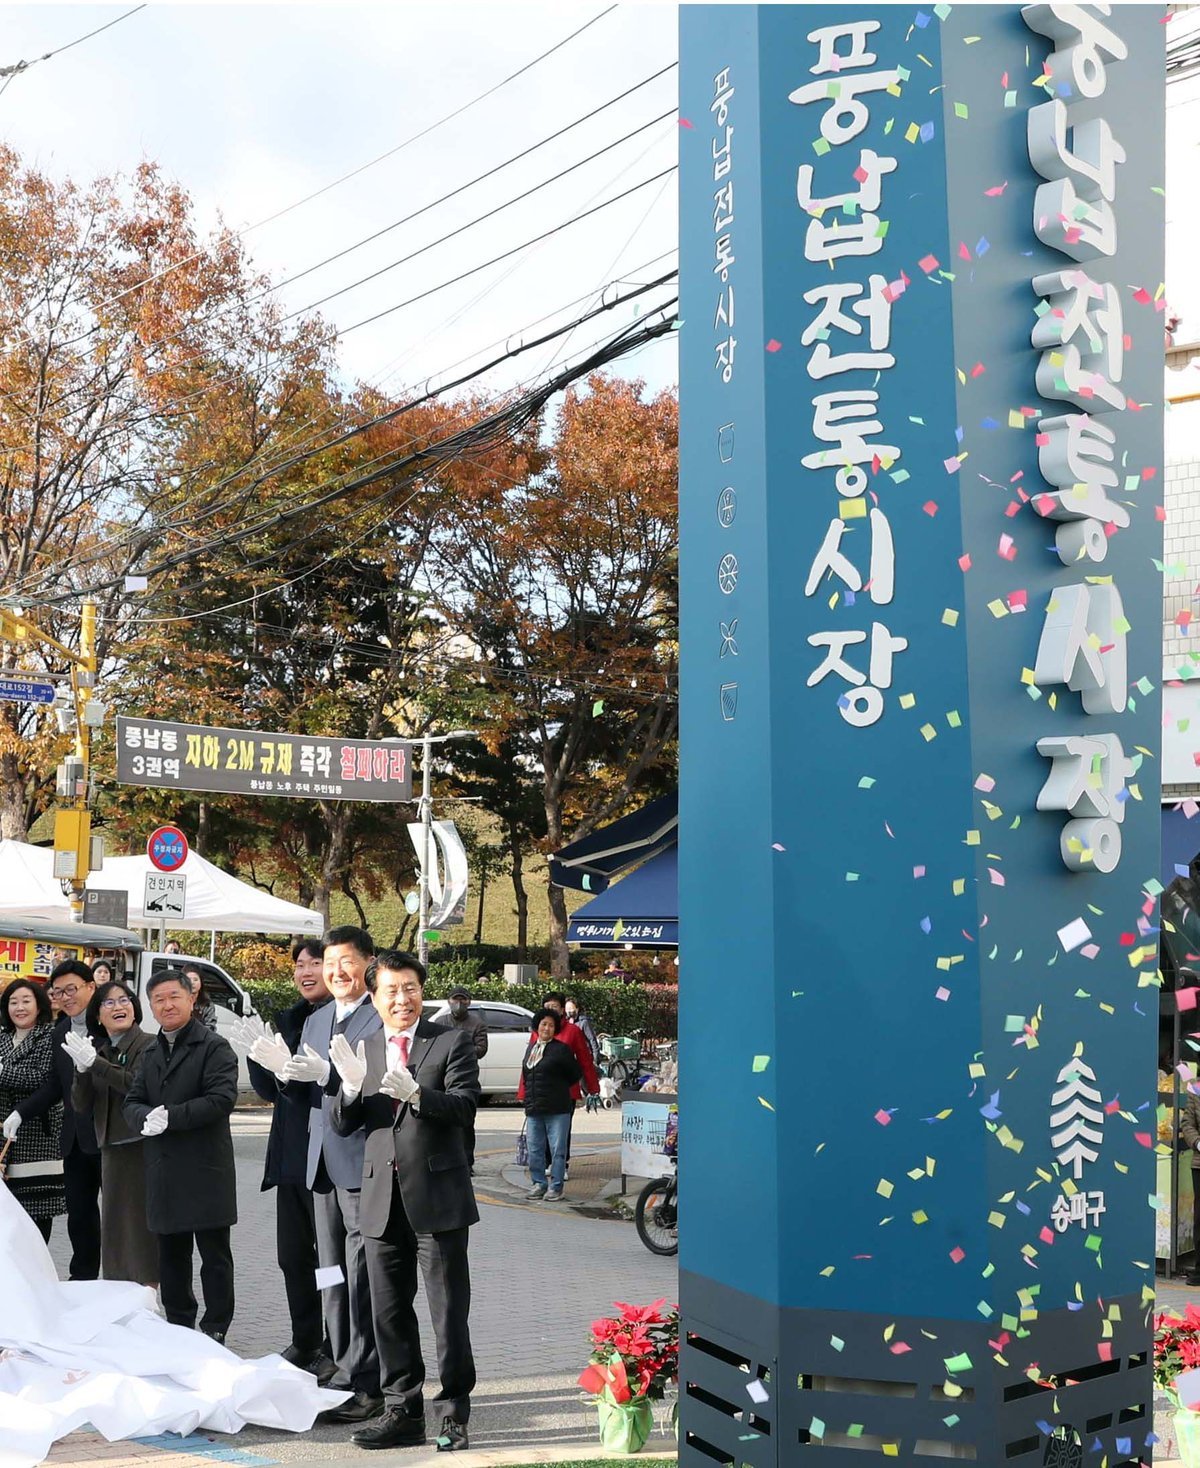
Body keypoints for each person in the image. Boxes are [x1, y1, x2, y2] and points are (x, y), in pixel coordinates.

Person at [329, 949, 480, 1451]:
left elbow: (465, 1107)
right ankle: (402, 1411)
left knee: (448, 1313)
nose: (402, 999)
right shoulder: (366, 1046)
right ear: (373, 997)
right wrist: (350, 1090)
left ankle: (453, 1414)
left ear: (422, 991)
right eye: (391, 990)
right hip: (380, 1198)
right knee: (388, 1313)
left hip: (437, 1199)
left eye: (410, 988)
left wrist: (418, 1094)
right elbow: (344, 1124)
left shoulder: (450, 1041)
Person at [253, 925, 383, 1424]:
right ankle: (342, 1367)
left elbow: (371, 1089)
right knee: (330, 1274)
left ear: (368, 963)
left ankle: (368, 1380)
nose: (335, 972)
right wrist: (280, 1071)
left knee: (360, 1274)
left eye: (345, 961)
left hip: (360, 1164)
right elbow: (303, 1096)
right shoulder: (317, 1018)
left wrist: (330, 1076)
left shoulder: (379, 1015)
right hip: (318, 1167)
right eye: (330, 963)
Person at [233, 938, 334, 1379]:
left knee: (330, 1262)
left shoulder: (343, 1018)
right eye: (299, 965)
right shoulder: (289, 1018)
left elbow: (323, 1089)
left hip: (326, 1161)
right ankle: (305, 1339)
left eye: (315, 963)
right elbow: (269, 1091)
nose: (305, 971)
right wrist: (261, 1058)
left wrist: (289, 1069)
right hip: (290, 1156)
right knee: (293, 1257)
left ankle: (336, 1342)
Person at [122, 969, 239, 1343]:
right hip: (164, 1168)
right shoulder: (151, 1052)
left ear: (191, 999)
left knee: (214, 1257)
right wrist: (144, 1117)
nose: (167, 1005)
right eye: (158, 999)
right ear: (150, 1006)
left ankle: (216, 1328)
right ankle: (178, 1326)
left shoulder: (214, 1047)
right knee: (171, 1256)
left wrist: (170, 1117)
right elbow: (133, 1100)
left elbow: (221, 1099)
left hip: (205, 1168)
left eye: (174, 996)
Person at [5, 959, 101, 1277]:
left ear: (91, 987)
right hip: (74, 1138)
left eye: (71, 989)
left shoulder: (107, 1024)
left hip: (110, 1133)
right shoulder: (61, 1031)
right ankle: (82, 1279)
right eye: (59, 992)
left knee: (120, 1215)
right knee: (80, 1215)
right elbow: (54, 1086)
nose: (65, 997)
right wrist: (20, 1113)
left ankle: (123, 1285)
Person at [65, 979, 158, 1285]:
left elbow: (136, 1085)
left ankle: (147, 1292)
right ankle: (119, 1292)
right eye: (109, 1002)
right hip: (110, 1146)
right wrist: (81, 1070)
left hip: (138, 1145)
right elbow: (81, 1104)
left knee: (139, 1228)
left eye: (124, 1000)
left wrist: (97, 1064)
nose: (119, 1006)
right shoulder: (100, 1050)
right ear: (98, 1015)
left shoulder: (149, 1045)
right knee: (115, 1227)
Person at [0, 978, 65, 1240]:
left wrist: (3, 1072)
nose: (20, 1007)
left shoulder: (49, 1036)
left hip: (38, 1137)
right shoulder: (2, 1037)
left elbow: (43, 1079)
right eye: (13, 1002)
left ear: (39, 1005)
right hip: (3, 1136)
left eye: (26, 1001)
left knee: (36, 1217)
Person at [520, 1008, 581, 1202]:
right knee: (535, 1149)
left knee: (557, 1151)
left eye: (551, 1025)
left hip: (558, 1109)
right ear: (537, 1026)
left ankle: (556, 1187)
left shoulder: (561, 1049)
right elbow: (527, 1076)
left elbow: (574, 1074)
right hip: (534, 1109)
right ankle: (539, 1183)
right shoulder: (532, 1048)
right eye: (543, 1024)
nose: (547, 1028)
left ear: (556, 1029)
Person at [435, 985, 487, 1171]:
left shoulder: (477, 1023)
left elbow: (481, 1049)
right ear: (449, 1001)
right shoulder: (440, 1022)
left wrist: (459, 1051)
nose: (459, 1003)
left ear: (469, 1002)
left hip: (466, 1076)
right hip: (441, 1076)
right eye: (455, 999)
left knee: (465, 1122)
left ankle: (467, 1162)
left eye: (463, 999)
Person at [184, 966, 219, 1031]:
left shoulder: (207, 1005)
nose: (192, 983)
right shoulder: (178, 1002)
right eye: (189, 980)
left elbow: (211, 1027)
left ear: (201, 982)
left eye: (195, 980)